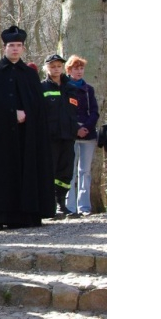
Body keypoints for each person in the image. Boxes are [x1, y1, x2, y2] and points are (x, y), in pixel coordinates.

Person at [0, 26, 55, 229]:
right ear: (4, 48)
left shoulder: (30, 74)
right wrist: (12, 113)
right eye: (11, 46)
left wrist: (27, 113)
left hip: (27, 135)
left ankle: (28, 215)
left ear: (23, 49)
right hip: (0, 137)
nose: (15, 49)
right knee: (1, 173)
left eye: (19, 46)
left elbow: (38, 105)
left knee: (27, 170)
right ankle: (0, 217)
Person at [41, 54, 81, 219]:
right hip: (50, 137)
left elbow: (74, 111)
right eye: (52, 66)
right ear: (47, 69)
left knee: (66, 171)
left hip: (68, 136)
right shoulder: (42, 87)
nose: (56, 69)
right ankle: (48, 206)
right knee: (50, 170)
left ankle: (61, 204)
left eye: (58, 66)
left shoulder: (70, 88)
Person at [64, 54, 99, 216]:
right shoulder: (64, 88)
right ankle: (69, 207)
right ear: (69, 70)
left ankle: (84, 207)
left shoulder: (88, 89)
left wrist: (86, 127)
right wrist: (75, 128)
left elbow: (94, 112)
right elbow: (64, 113)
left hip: (88, 135)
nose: (79, 72)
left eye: (81, 68)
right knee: (70, 171)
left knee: (85, 171)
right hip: (70, 135)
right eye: (75, 69)